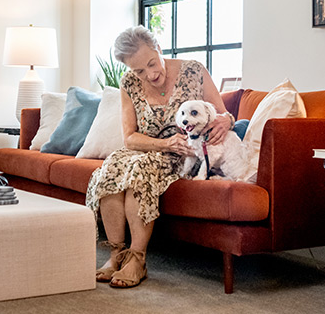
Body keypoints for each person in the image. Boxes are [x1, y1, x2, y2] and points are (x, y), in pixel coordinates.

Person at [85, 26, 234, 288]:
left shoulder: (194, 71)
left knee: (139, 172)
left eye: (152, 64)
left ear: (159, 49)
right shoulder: (129, 84)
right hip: (148, 147)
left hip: (182, 154)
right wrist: (163, 143)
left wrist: (227, 120)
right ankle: (116, 255)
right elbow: (129, 137)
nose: (149, 74)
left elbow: (220, 113)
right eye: (139, 71)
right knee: (109, 170)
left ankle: (137, 259)